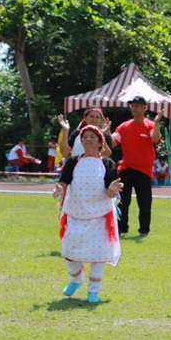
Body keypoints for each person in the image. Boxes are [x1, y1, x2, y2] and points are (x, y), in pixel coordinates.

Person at [52, 125, 123, 303]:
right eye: (85, 137)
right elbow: (63, 183)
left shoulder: (108, 164)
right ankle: (76, 279)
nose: (88, 139)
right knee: (69, 251)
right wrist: (59, 190)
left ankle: (93, 291)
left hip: (100, 216)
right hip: (75, 213)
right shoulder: (73, 161)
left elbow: (110, 193)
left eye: (93, 136)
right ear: (81, 141)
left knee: (97, 255)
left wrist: (113, 191)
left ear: (100, 142)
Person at [111, 95, 163, 238]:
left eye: (137, 105)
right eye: (132, 105)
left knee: (144, 203)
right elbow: (112, 142)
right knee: (122, 202)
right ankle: (121, 229)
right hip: (125, 169)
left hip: (144, 170)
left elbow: (156, 139)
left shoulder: (150, 125)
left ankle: (144, 230)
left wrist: (157, 122)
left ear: (144, 108)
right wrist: (104, 131)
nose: (134, 107)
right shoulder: (124, 126)